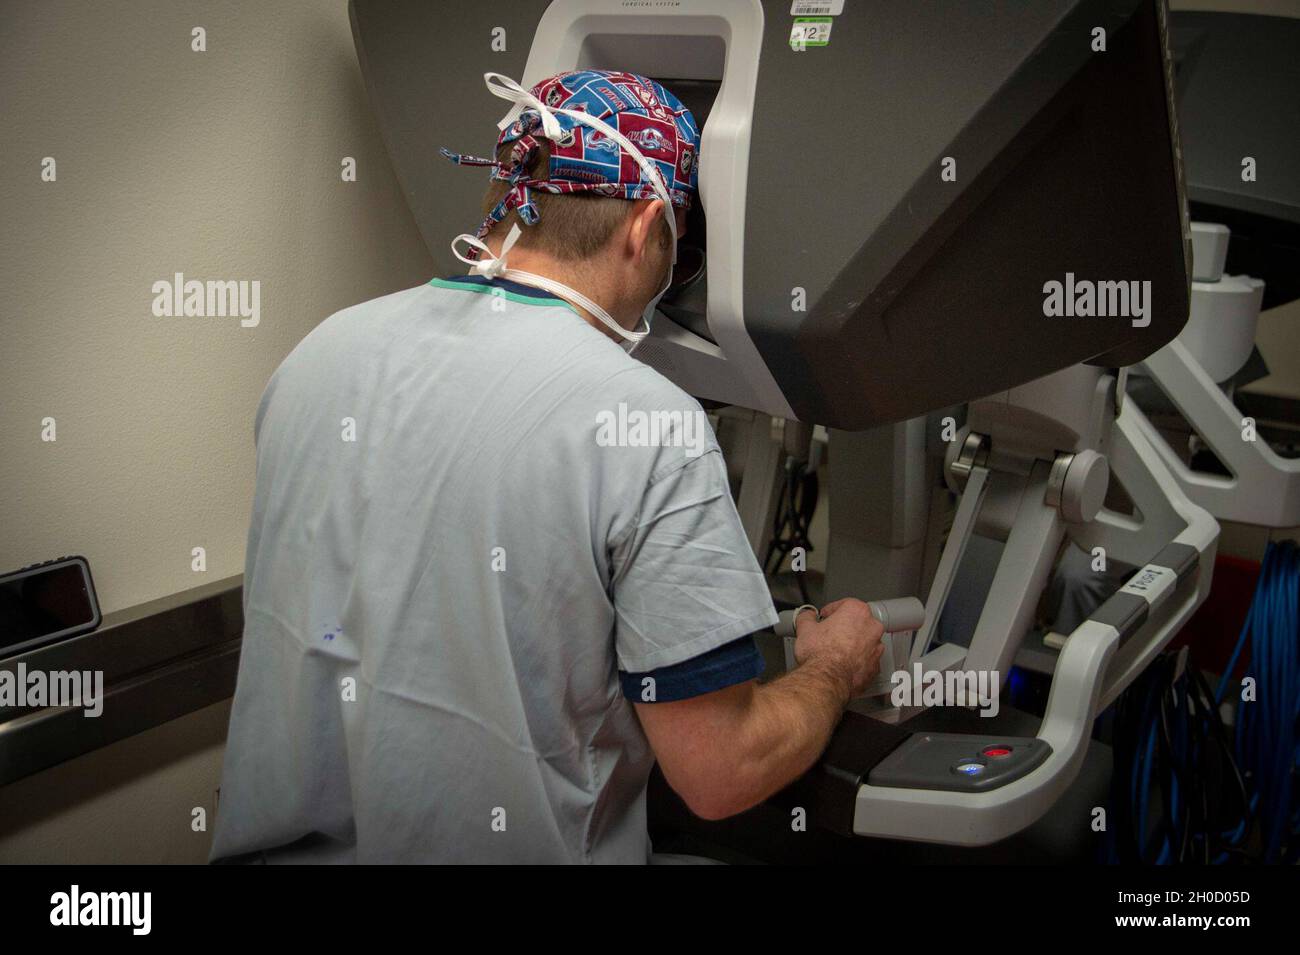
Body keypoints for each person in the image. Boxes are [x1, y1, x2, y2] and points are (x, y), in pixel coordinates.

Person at [210, 69, 884, 864]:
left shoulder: (318, 354)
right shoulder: (649, 423)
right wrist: (835, 667)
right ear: (642, 229)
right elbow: (720, 771)